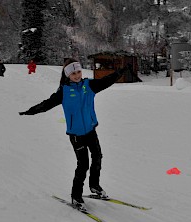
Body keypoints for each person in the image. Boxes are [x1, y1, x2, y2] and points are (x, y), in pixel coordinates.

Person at [19, 58, 130, 210]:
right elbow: (47, 104)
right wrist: (30, 111)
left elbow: (106, 80)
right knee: (83, 164)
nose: (77, 75)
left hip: (91, 130)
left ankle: (94, 186)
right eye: (73, 73)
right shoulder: (63, 91)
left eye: (78, 72)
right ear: (67, 75)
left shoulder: (88, 85)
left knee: (97, 156)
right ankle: (76, 196)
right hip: (76, 135)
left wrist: (120, 72)